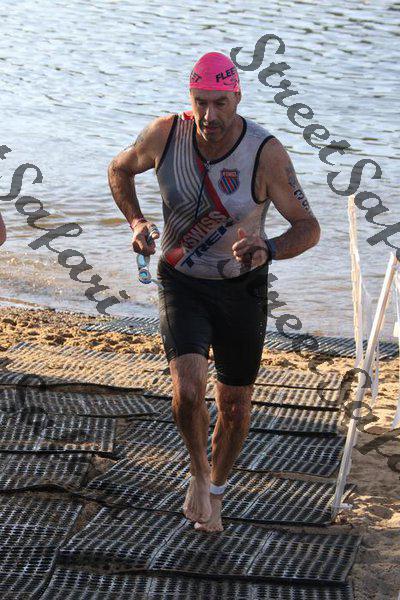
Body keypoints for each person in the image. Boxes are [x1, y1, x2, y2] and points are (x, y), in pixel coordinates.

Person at [108, 51, 320, 532]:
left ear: (237, 98)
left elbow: (308, 227)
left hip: (241, 288)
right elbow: (118, 170)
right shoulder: (165, 134)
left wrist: (269, 248)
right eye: (200, 102)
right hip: (181, 281)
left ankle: (218, 490)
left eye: (219, 103)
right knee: (187, 390)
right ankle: (199, 473)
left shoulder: (265, 153)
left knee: (235, 406)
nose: (208, 115)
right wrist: (137, 222)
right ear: (190, 98)